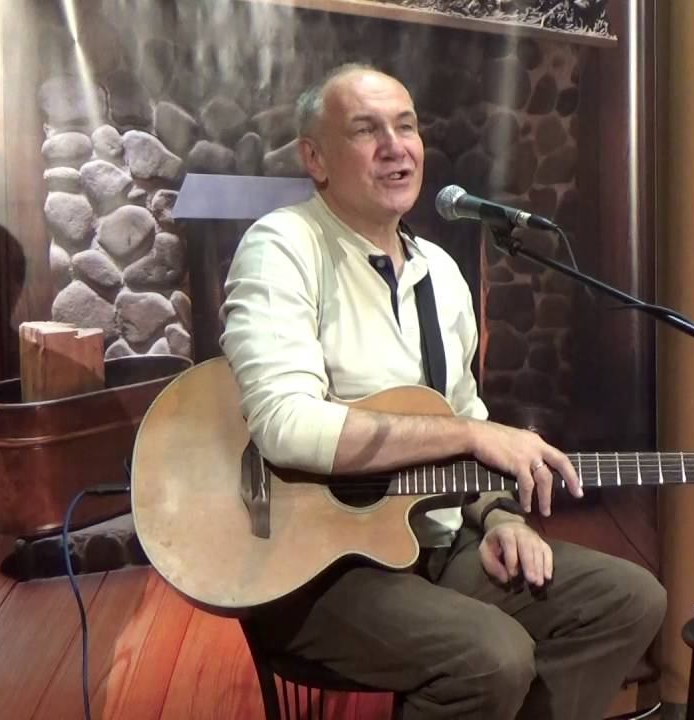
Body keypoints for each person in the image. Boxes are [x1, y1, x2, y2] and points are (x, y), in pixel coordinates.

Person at [220, 63, 666, 720]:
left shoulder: (442, 275)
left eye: (406, 127)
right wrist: (470, 434)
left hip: (433, 540)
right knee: (492, 657)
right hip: (311, 568)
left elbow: (463, 420)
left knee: (630, 600)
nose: (395, 147)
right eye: (366, 130)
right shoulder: (283, 247)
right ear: (315, 158)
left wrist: (501, 517)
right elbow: (285, 426)